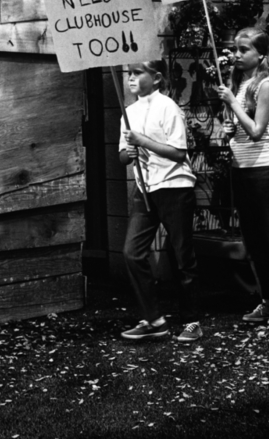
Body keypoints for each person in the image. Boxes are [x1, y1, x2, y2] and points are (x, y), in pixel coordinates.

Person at [218, 28, 269, 326]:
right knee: (252, 239)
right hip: (242, 168)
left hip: (265, 168)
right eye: (235, 49)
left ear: (260, 54)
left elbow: (256, 131)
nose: (236, 55)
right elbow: (241, 129)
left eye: (243, 50)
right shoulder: (240, 83)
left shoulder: (265, 86)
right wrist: (228, 130)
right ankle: (268, 300)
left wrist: (233, 104)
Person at [118, 60, 202, 343]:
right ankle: (154, 318)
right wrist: (128, 152)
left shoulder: (168, 107)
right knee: (132, 252)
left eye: (137, 73)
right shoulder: (127, 112)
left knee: (182, 257)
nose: (131, 79)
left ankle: (192, 320)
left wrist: (142, 141)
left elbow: (179, 152)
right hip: (144, 188)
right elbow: (122, 154)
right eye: (129, 74)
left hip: (174, 187)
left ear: (156, 78)